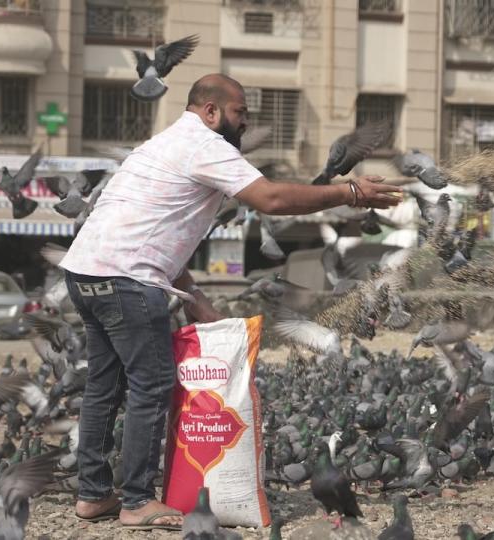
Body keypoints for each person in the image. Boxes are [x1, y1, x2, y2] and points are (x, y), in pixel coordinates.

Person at [61, 73, 401, 529]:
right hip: (127, 279)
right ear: (211, 111)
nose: (244, 123)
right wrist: (349, 191)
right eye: (240, 113)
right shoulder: (206, 145)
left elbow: (153, 229)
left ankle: (93, 494)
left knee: (104, 384)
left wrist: (193, 295)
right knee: (153, 384)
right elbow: (272, 198)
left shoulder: (156, 146)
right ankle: (138, 500)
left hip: (84, 271)